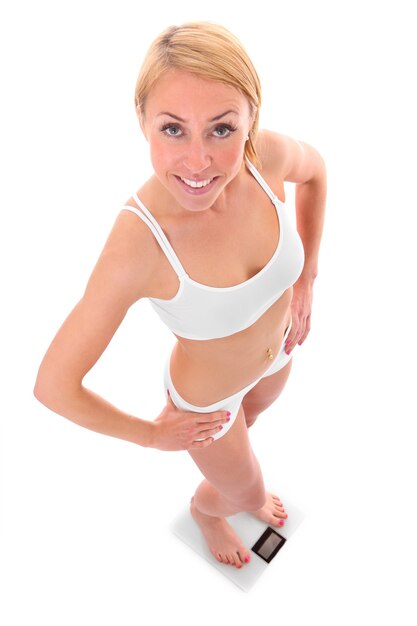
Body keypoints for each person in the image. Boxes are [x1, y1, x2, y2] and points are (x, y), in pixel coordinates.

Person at [34, 21, 326, 570]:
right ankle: (208, 511)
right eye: (172, 129)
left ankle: (232, 473)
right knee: (243, 490)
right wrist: (151, 435)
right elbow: (53, 385)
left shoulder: (265, 159)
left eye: (221, 130)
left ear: (250, 121)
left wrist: (307, 274)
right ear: (142, 121)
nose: (197, 162)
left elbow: (317, 174)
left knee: (255, 421)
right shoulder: (138, 242)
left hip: (279, 354)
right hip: (207, 408)